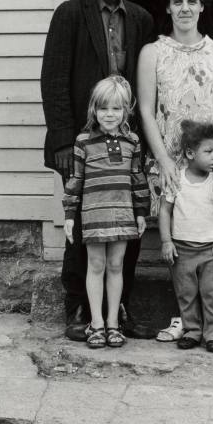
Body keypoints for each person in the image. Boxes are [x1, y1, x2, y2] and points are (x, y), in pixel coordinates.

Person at [41, 0, 155, 341]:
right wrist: (61, 143)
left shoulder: (140, 19)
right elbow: (53, 82)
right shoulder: (70, 15)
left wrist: (146, 145)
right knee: (83, 229)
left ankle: (118, 309)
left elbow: (148, 85)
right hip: (81, 146)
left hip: (125, 146)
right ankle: (79, 308)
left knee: (126, 227)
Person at [137, 0, 213, 347]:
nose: (185, 8)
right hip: (174, 163)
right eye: (177, 1)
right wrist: (163, 160)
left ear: (202, 6)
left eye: (192, 1)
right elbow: (147, 112)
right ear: (167, 8)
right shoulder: (153, 52)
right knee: (179, 236)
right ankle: (185, 318)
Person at [63, 76, 150, 348]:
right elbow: (75, 181)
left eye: (116, 108)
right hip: (94, 215)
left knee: (116, 266)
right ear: (94, 110)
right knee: (96, 265)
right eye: (103, 108)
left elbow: (137, 178)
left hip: (122, 213)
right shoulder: (83, 142)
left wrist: (140, 213)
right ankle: (96, 323)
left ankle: (113, 322)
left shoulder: (132, 141)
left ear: (126, 110)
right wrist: (69, 215)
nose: (109, 114)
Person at [159, 120, 213, 353]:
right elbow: (164, 210)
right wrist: (166, 241)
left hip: (211, 249)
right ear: (190, 153)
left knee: (211, 294)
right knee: (187, 294)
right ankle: (192, 331)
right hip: (183, 249)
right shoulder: (177, 179)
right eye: (209, 152)